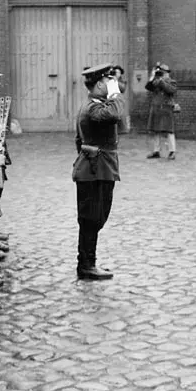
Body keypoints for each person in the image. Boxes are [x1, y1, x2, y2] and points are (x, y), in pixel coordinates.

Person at [72, 63, 124, 280]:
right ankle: (86, 265)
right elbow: (116, 114)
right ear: (100, 85)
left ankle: (88, 262)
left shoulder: (94, 106)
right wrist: (115, 94)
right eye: (107, 82)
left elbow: (78, 140)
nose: (112, 85)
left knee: (96, 218)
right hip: (95, 171)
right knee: (91, 219)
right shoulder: (94, 108)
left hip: (97, 169)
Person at [145, 63, 177, 160]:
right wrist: (152, 76)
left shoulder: (171, 82)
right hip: (156, 108)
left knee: (169, 131)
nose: (161, 74)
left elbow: (171, 90)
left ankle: (172, 151)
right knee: (155, 130)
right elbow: (148, 87)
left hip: (166, 109)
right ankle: (156, 151)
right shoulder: (155, 81)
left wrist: (161, 81)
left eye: (162, 72)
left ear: (167, 73)